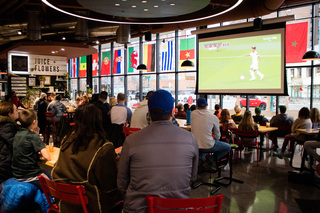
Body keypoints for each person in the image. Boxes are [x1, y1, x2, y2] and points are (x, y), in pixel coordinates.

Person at [117, 90, 198, 213]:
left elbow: (122, 182)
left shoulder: (131, 141)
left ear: (149, 112)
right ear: (172, 112)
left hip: (138, 209)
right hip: (177, 208)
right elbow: (192, 178)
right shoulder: (190, 139)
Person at [52, 104, 120, 213]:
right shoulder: (103, 147)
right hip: (91, 206)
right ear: (98, 121)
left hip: (64, 204)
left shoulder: (67, 140)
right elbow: (109, 187)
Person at [11, 109, 51, 189]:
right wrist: (36, 136)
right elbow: (47, 157)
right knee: (50, 174)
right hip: (29, 175)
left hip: (16, 174)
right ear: (34, 121)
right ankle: (52, 199)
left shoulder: (18, 134)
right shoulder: (32, 136)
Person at [191, 98, 231, 169]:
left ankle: (200, 162)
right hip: (208, 145)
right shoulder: (213, 117)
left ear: (197, 106)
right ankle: (209, 161)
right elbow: (217, 136)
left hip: (195, 145)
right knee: (227, 147)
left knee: (202, 148)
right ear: (207, 105)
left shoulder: (192, 114)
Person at [0, 102, 19, 184]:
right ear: (10, 114)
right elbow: (16, 145)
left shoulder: (4, 125)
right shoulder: (7, 126)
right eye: (16, 110)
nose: (18, 111)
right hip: (5, 167)